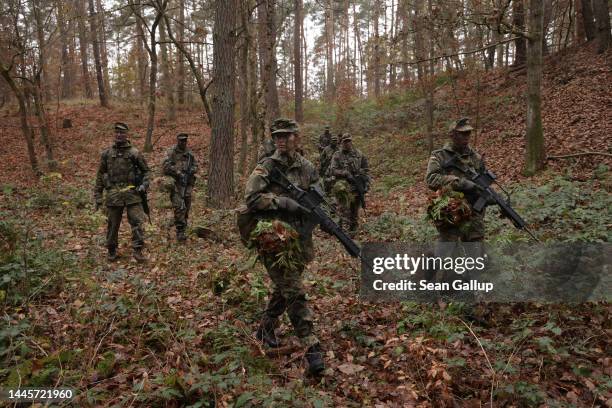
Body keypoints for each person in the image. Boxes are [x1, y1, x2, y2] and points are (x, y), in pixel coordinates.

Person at [243, 118, 325, 375]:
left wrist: (316, 210)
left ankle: (265, 329)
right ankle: (312, 350)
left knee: (284, 286)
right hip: (274, 238)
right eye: (277, 136)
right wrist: (281, 202)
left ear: (296, 138)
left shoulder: (307, 166)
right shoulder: (267, 166)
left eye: (286, 135)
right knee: (294, 291)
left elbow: (318, 191)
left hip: (299, 238)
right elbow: (252, 197)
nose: (280, 139)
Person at [94, 122, 150, 262]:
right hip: (113, 194)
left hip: (132, 193)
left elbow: (147, 172)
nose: (119, 135)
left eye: (122, 133)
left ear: (126, 135)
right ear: (114, 134)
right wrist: (98, 197)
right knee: (113, 224)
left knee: (137, 222)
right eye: (117, 132)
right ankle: (111, 250)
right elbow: (100, 175)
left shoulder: (134, 153)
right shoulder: (107, 154)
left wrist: (144, 185)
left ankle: (138, 250)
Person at [425, 117, 488, 242]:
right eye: (462, 133)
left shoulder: (476, 158)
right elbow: (431, 179)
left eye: (468, 133)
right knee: (447, 256)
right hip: (450, 213)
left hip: (474, 216)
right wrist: (460, 183)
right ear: (452, 135)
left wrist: (487, 196)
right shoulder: (439, 156)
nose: (466, 137)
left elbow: (483, 183)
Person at [328, 134, 370, 235]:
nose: (347, 143)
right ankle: (343, 232)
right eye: (345, 141)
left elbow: (366, 169)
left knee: (355, 209)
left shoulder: (359, 154)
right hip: (343, 186)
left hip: (357, 185)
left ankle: (353, 230)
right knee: (343, 210)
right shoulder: (337, 155)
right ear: (341, 142)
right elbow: (332, 170)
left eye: (348, 141)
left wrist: (366, 182)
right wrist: (345, 173)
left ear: (351, 141)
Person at [162, 133, 199, 242]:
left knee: (186, 205)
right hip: (175, 184)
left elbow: (195, 165)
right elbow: (165, 167)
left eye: (185, 141)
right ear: (177, 141)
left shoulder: (189, 154)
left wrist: (192, 170)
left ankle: (184, 224)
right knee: (179, 206)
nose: (183, 143)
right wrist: (177, 172)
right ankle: (180, 230)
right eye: (181, 141)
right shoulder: (171, 152)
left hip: (187, 184)